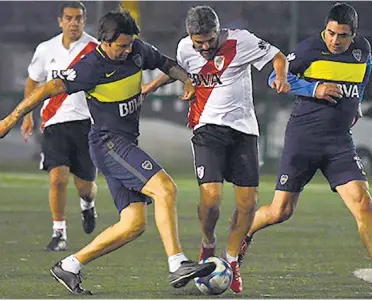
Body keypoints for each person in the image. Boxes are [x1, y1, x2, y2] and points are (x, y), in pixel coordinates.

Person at [0, 8, 215, 295]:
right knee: (166, 189)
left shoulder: (136, 49)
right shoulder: (91, 67)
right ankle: (177, 263)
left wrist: (186, 80)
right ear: (104, 41)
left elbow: (166, 63)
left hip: (125, 143)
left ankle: (70, 265)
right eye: (121, 46)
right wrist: (11, 119)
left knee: (133, 224)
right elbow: (47, 89)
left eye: (129, 44)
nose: (127, 51)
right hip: (109, 144)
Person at [237, 3, 372, 298]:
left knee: (362, 202)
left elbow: (365, 72)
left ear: (353, 35)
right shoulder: (309, 49)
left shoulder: (362, 51)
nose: (335, 40)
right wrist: (314, 89)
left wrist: (355, 106)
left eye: (342, 35)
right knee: (281, 211)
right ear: (325, 29)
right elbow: (274, 78)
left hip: (339, 142)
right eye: (331, 33)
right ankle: (242, 234)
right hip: (303, 139)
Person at [142, 5, 290, 294]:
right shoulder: (186, 47)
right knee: (211, 201)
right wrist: (154, 86)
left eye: (210, 40)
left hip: (244, 131)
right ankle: (208, 243)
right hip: (206, 128)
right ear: (190, 36)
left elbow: (278, 57)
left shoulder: (241, 41)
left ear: (218, 31)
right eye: (200, 42)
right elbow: (180, 70)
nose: (206, 47)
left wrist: (281, 77)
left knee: (248, 205)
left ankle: (231, 259)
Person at [21, 1, 98, 252]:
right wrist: (27, 115)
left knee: (85, 186)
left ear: (84, 21)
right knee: (57, 178)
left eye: (78, 18)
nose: (73, 23)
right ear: (60, 21)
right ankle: (59, 233)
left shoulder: (94, 49)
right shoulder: (46, 49)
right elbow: (33, 82)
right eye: (68, 18)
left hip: (86, 124)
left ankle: (87, 205)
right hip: (54, 123)